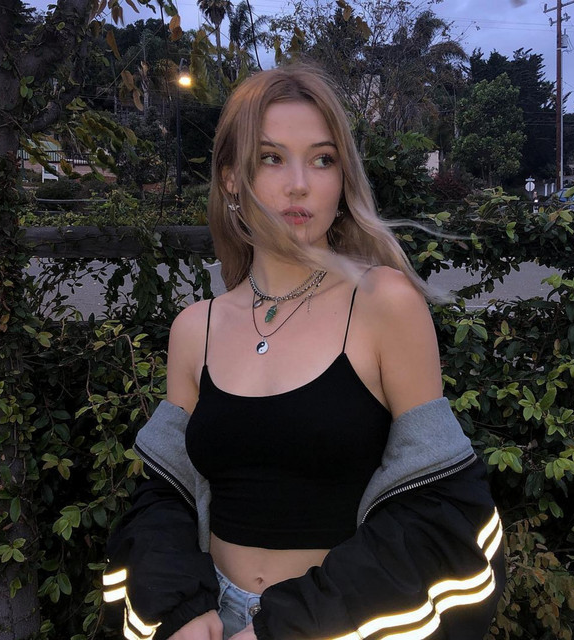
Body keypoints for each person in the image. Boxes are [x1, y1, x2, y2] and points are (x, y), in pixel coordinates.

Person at [102, 64, 505, 640]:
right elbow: (165, 494)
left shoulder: (383, 303)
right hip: (209, 620)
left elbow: (439, 502)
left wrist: (284, 627)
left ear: (343, 177)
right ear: (230, 177)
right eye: (271, 157)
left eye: (322, 159)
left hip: (334, 624)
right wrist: (181, 609)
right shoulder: (196, 328)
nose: (299, 184)